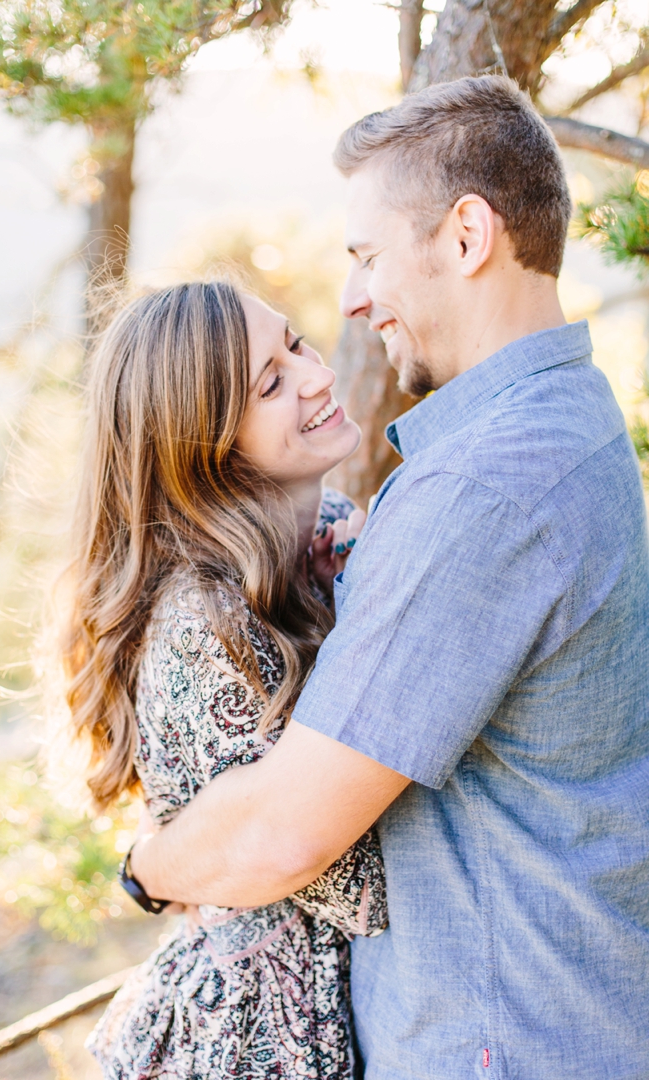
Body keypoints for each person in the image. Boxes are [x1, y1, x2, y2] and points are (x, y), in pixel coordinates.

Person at [127, 76, 649, 1079]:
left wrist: (148, 866)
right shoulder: (561, 422)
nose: (356, 300)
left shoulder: (483, 489)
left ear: (465, 237)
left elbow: (283, 834)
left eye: (367, 256)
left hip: (505, 1044)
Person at [59, 281, 388, 1079]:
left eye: (296, 345)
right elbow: (355, 879)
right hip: (246, 1046)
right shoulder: (205, 618)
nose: (314, 377)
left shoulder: (333, 530)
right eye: (270, 384)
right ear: (204, 445)